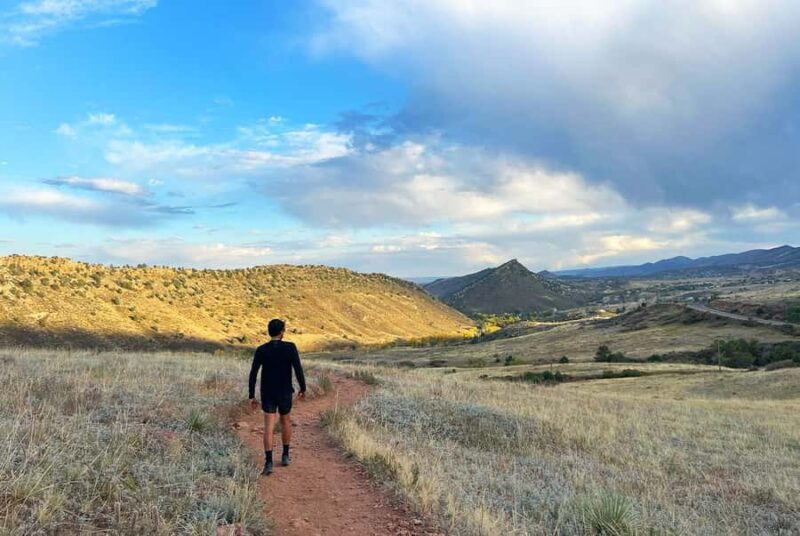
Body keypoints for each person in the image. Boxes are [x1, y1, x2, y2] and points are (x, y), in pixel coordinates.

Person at [248, 318, 306, 475]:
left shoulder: (261, 350)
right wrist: (303, 388)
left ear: (269, 332)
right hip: (285, 391)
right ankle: (285, 455)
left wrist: (251, 395)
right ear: (282, 332)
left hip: (268, 392)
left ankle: (268, 462)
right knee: (286, 420)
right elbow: (298, 369)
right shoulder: (290, 347)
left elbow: (253, 373)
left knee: (268, 426)